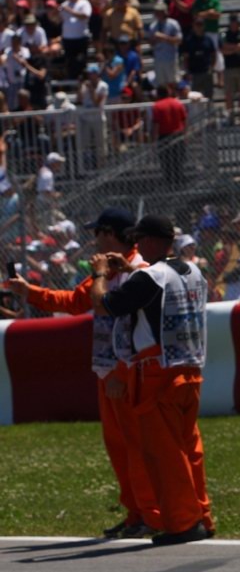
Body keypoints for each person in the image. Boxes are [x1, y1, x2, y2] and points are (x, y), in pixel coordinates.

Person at [3, 208, 162, 537]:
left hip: (126, 373)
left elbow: (133, 329)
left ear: (109, 234)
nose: (92, 241)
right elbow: (75, 301)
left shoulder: (137, 271)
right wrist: (27, 291)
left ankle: (151, 514)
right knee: (119, 447)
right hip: (108, 372)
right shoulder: (104, 272)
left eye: (97, 234)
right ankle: (135, 513)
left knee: (135, 446)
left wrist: (118, 371)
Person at [90, 214, 215, 546]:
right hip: (190, 368)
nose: (137, 245)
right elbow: (157, 288)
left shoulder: (149, 276)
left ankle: (182, 524)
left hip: (157, 372)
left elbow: (107, 304)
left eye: (140, 238)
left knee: (165, 454)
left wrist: (101, 274)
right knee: (190, 449)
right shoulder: (192, 270)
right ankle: (202, 515)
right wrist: (132, 270)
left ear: (150, 241)